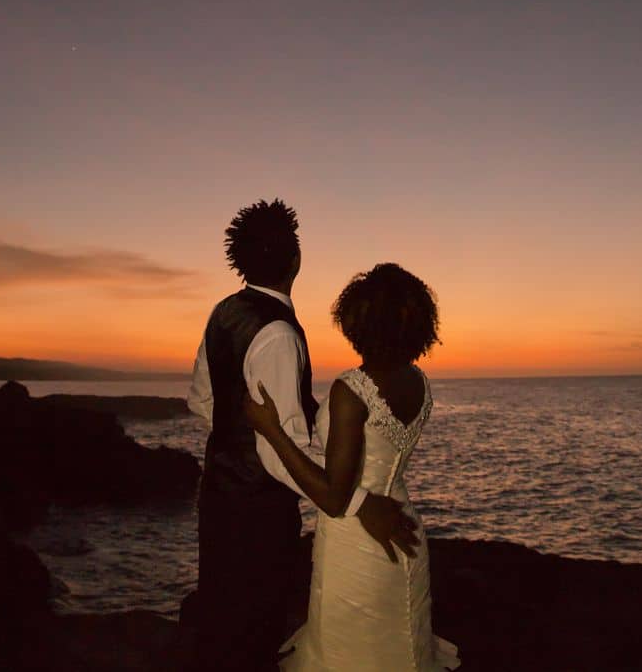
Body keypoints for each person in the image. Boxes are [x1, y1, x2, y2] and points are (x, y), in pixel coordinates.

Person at [186, 201, 419, 671]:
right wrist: (354, 502)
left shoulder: (223, 311)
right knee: (253, 629)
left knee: (222, 620)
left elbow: (200, 400)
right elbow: (275, 455)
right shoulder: (279, 334)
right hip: (257, 512)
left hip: (218, 497)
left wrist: (234, 440)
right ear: (295, 258)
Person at [244, 261, 460, 671]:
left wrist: (271, 430)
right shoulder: (417, 380)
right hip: (402, 528)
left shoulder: (350, 390)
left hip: (357, 545)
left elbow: (332, 495)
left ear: (359, 323)